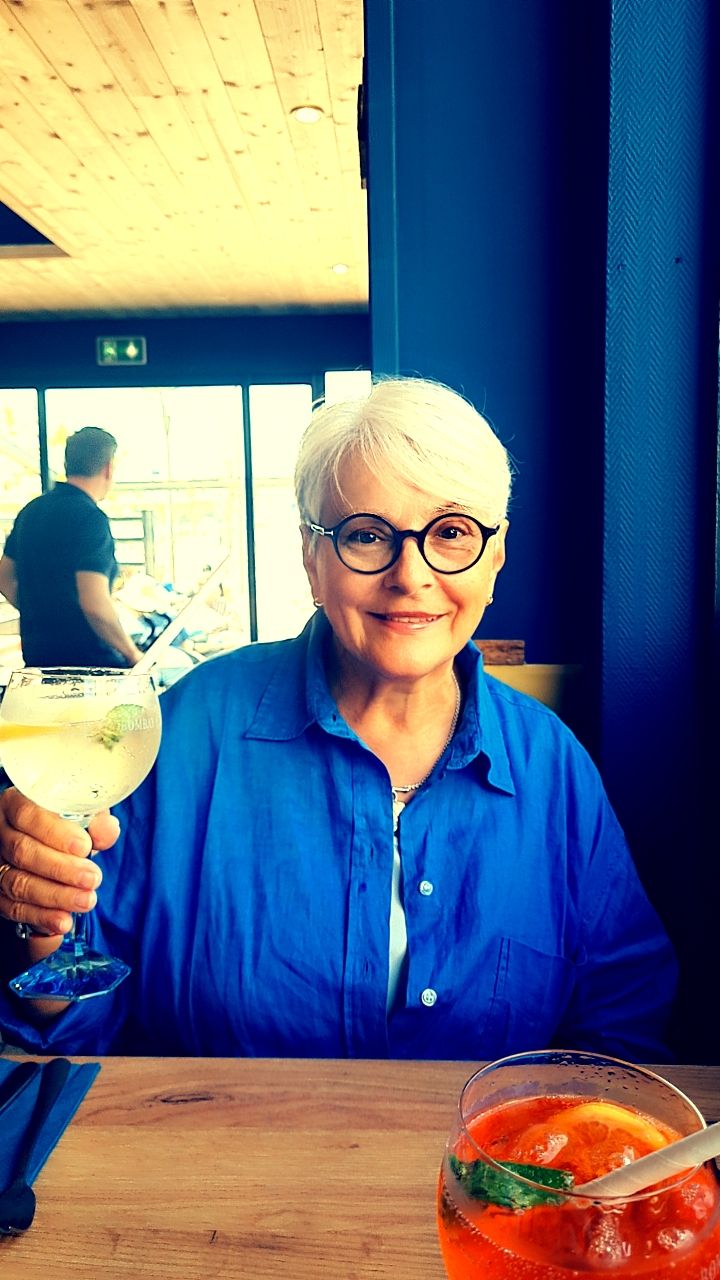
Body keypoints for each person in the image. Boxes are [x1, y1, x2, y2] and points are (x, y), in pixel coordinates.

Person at [0, 377, 676, 1058]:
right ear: (311, 558)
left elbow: (622, 1025)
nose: (410, 575)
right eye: (367, 535)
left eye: (451, 533)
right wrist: (42, 916)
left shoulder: (553, 767)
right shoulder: (186, 733)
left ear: (494, 559)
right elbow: (79, 1028)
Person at [0, 426, 143, 669]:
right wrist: (133, 654)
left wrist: (42, 614)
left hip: (39, 663)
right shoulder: (91, 518)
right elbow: (94, 604)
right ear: (108, 468)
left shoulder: (32, 511)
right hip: (89, 668)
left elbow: (3, 577)